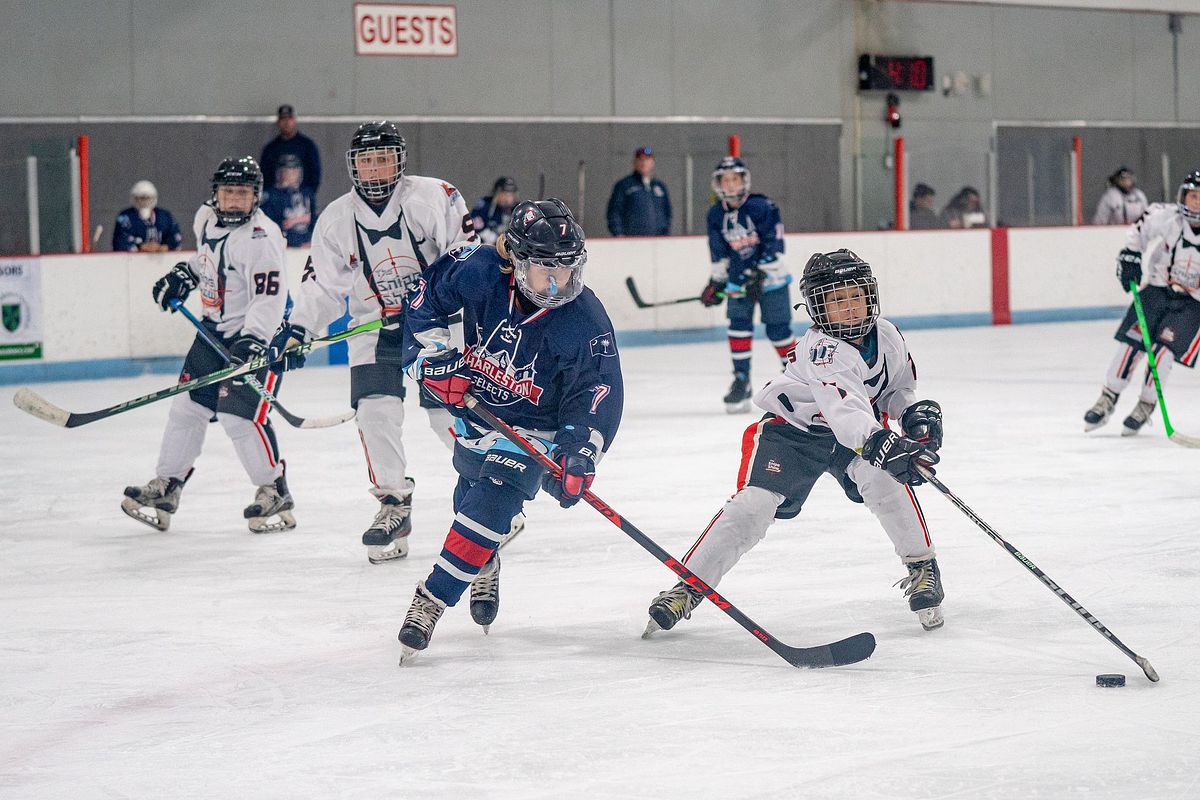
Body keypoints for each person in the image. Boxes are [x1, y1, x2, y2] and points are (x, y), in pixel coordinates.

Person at [644, 249, 946, 638]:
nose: (849, 307)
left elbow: (896, 388)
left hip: (854, 432)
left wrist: (913, 416)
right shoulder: (823, 350)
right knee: (753, 505)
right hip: (793, 433)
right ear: (818, 309)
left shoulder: (888, 334)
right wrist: (885, 446)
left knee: (884, 481)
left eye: (856, 296)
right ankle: (689, 585)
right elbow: (847, 415)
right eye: (837, 300)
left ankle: (922, 567)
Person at [396, 198, 624, 662]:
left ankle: (431, 600)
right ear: (517, 262)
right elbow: (425, 297)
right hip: (480, 410)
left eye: (567, 268)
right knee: (469, 494)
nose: (559, 282)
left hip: (538, 430)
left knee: (492, 500)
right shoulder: (479, 270)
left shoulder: (585, 320)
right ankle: (484, 557)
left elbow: (596, 392)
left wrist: (578, 452)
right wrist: (432, 359)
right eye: (546, 269)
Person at [267, 121, 477, 564]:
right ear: (354, 166)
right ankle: (393, 504)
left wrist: (429, 301)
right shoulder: (336, 219)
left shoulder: (434, 196)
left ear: (400, 162)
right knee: (374, 411)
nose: (376, 169)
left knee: (447, 413)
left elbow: (465, 259)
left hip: (438, 322)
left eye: (384, 159)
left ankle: (488, 491)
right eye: (367, 161)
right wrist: (299, 328)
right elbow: (323, 287)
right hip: (373, 326)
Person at [122, 157, 294, 534]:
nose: (234, 200)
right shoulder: (205, 218)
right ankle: (168, 484)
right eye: (228, 192)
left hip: (255, 337)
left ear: (256, 197)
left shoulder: (262, 238)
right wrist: (185, 274)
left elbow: (270, 298)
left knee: (239, 416)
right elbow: (209, 259)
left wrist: (254, 340)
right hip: (212, 331)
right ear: (216, 194)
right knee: (187, 408)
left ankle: (274, 489)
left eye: (243, 193)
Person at [1083, 170, 1200, 436]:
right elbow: (1139, 231)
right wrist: (1130, 256)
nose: (1196, 203)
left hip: (1192, 304)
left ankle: (1146, 404)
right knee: (1131, 344)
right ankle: (1107, 397)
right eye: (1193, 196)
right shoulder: (1167, 217)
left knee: (1163, 352)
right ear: (1183, 197)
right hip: (1158, 290)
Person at [698, 156, 795, 412]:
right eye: (725, 180)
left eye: (735, 179)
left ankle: (797, 377)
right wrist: (716, 282)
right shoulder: (715, 214)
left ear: (744, 181)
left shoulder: (762, 206)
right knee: (738, 327)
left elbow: (774, 244)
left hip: (772, 279)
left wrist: (759, 272)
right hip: (739, 281)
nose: (730, 184)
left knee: (778, 330)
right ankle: (741, 380)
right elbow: (719, 252)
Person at [605, 146, 671, 236]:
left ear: (652, 162)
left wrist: (664, 233)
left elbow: (667, 212)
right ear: (634, 162)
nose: (644, 163)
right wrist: (618, 234)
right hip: (632, 239)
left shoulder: (659, 187)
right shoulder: (624, 185)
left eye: (647, 159)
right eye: (641, 160)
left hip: (657, 240)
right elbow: (614, 211)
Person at [259, 104, 321, 196]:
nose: (286, 122)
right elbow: (264, 176)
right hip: (276, 200)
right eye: (283, 119)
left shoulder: (308, 146)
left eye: (289, 118)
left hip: (302, 198)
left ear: (294, 120)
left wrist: (308, 195)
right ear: (278, 122)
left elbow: (315, 174)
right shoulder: (270, 149)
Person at [260, 154, 318, 247]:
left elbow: (314, 220)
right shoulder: (271, 195)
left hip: (307, 244)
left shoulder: (307, 193)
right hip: (284, 245)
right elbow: (268, 225)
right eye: (288, 171)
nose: (292, 174)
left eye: (295, 170)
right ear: (280, 173)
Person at [112, 180, 182, 252]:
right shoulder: (126, 217)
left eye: (148, 198)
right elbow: (120, 241)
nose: (144, 202)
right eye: (141, 198)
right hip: (134, 258)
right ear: (134, 199)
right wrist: (141, 246)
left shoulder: (165, 217)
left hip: (161, 257)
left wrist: (165, 247)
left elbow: (176, 237)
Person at [470, 176, 518, 244]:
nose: (507, 198)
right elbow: (474, 226)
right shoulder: (484, 205)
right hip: (486, 244)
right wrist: (494, 238)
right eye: (504, 194)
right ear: (496, 193)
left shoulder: (517, 209)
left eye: (510, 195)